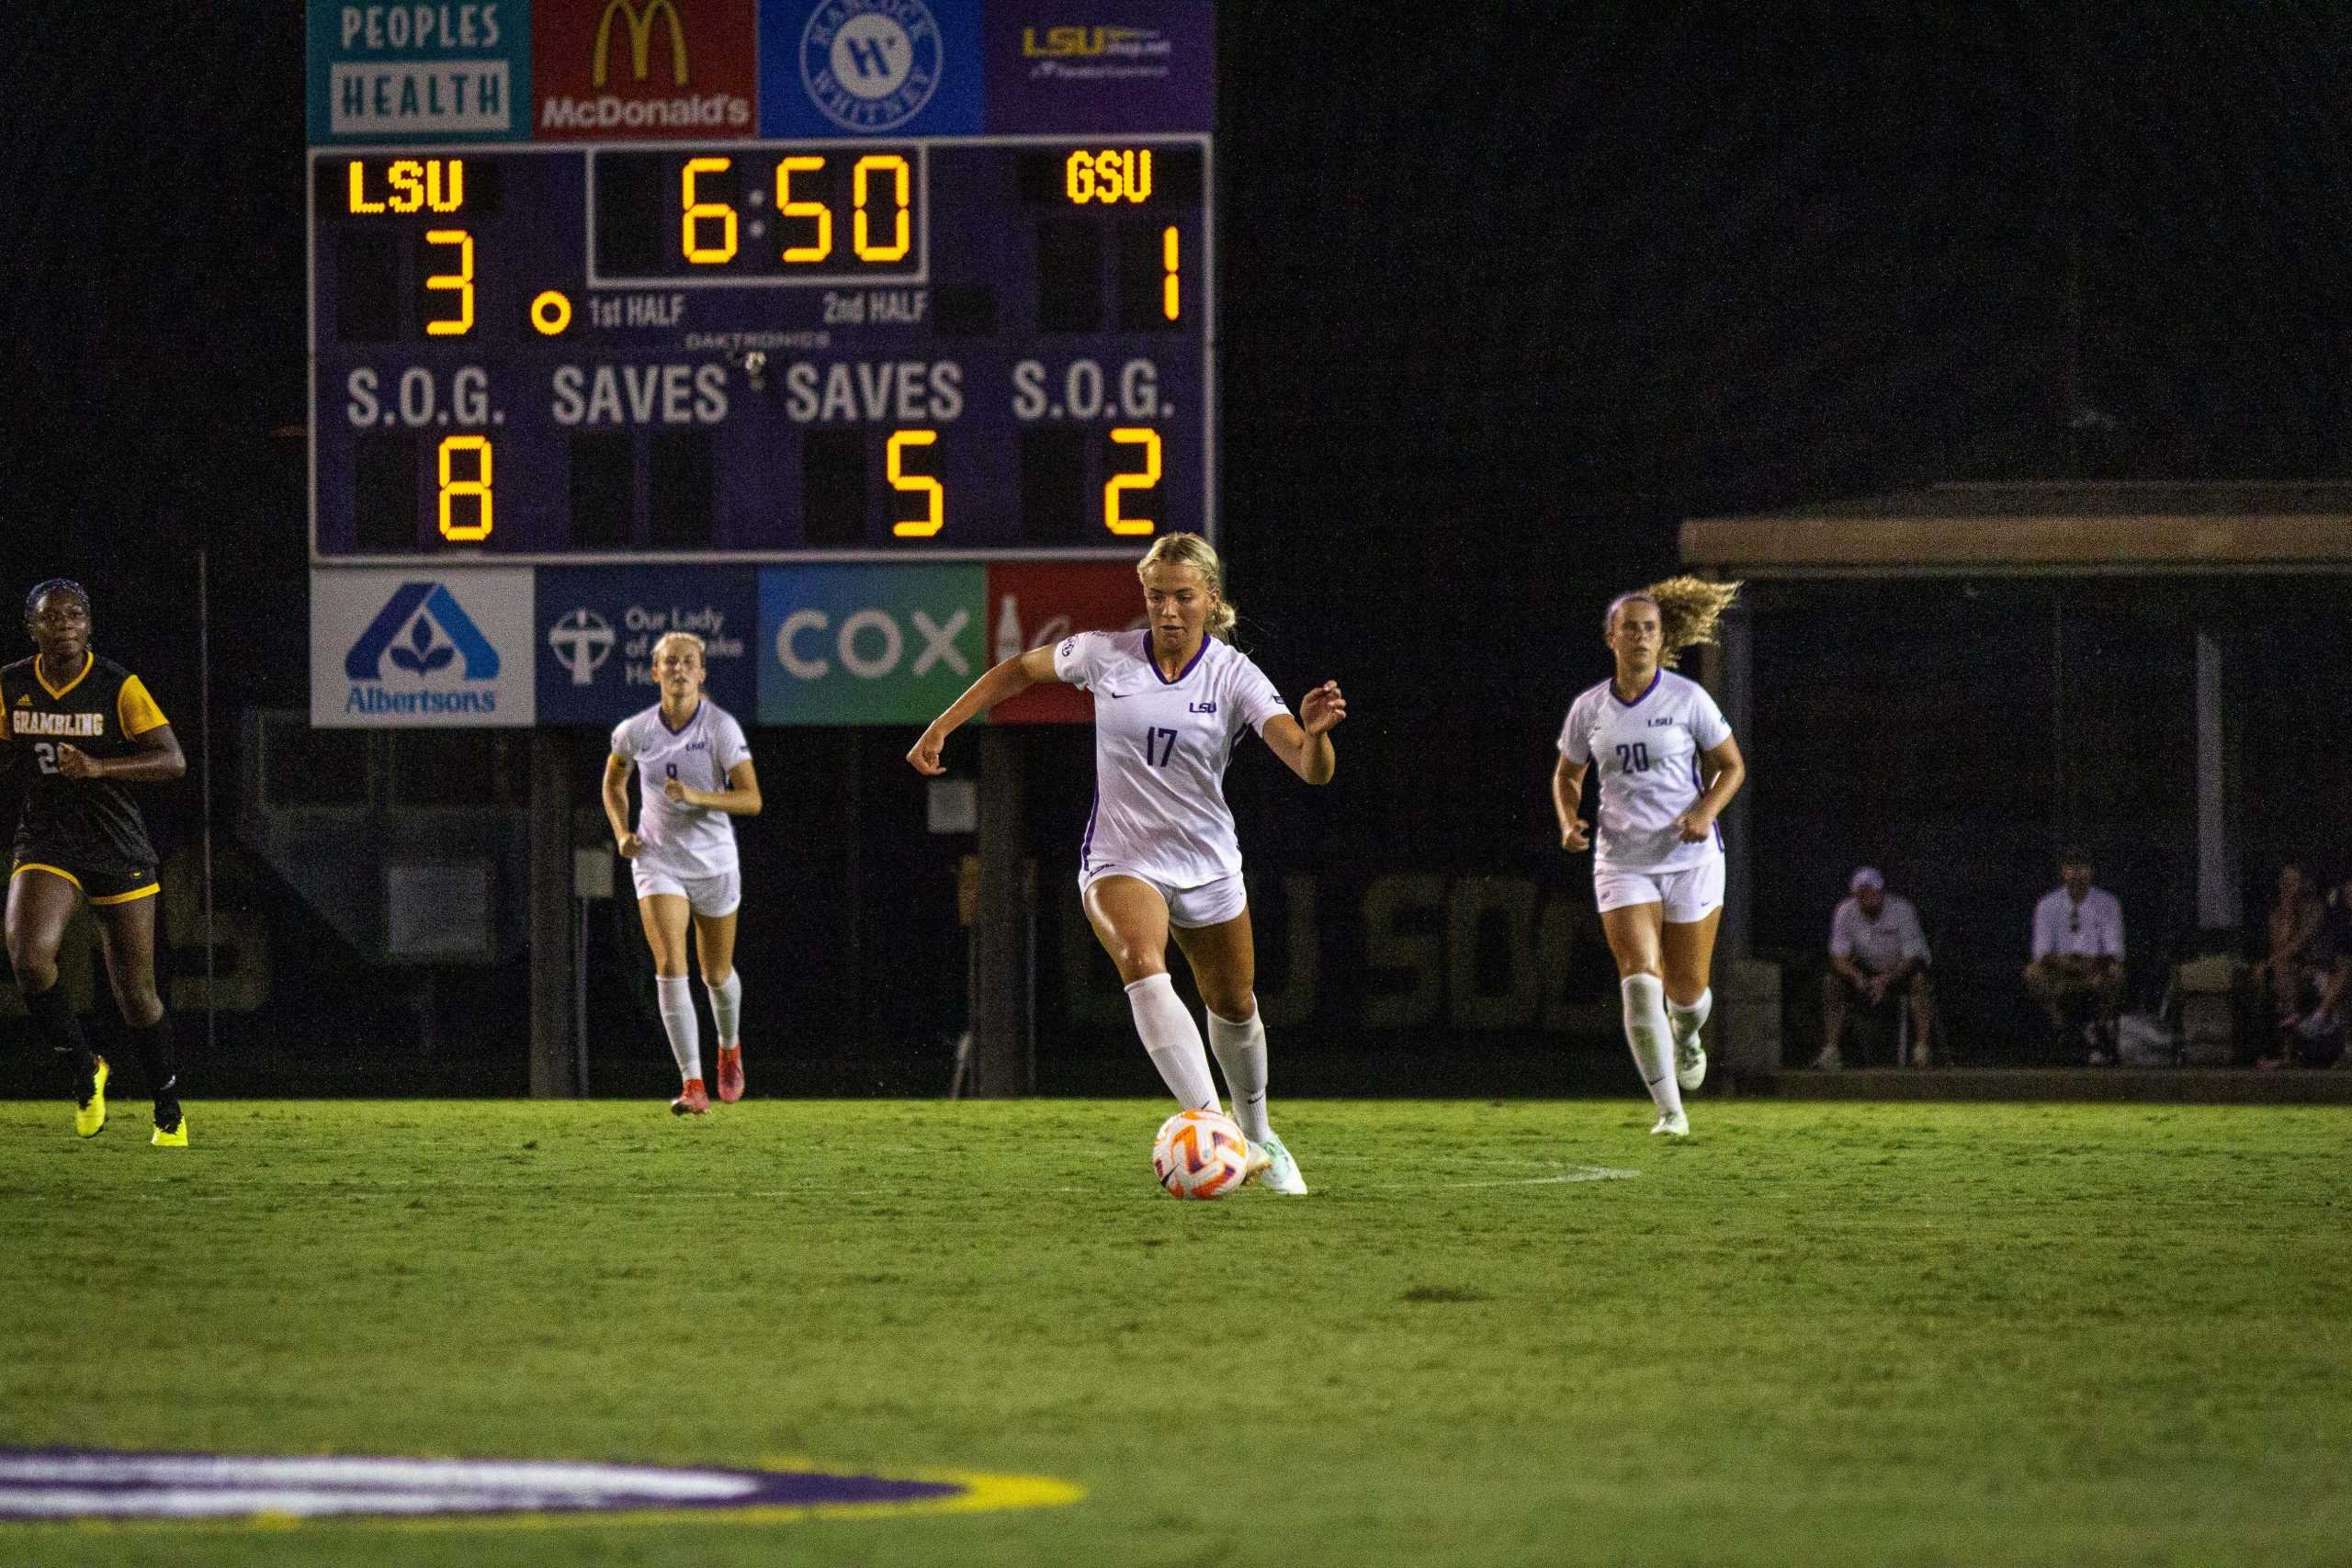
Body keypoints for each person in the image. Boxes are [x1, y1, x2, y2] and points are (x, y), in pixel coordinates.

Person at [907, 532, 1341, 1195]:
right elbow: (1018, 669)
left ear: (1211, 600)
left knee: (1234, 1002)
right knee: (1143, 961)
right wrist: (944, 724)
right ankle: (1216, 1129)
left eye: (1183, 597)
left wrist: (1315, 737)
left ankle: (1259, 1134)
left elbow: (1308, 769)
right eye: (1156, 595)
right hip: (1121, 857)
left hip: (1208, 862)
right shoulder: (1105, 655)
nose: (1168, 610)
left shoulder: (1233, 675)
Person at [1553, 577, 1746, 1136]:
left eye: (1650, 629)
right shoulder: (1589, 709)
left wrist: (1706, 811)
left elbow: (1731, 765)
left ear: (1662, 640)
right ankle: (1670, 1112)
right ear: (1610, 637)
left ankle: (1686, 1035)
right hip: (1622, 861)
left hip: (1691, 858)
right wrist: (1569, 821)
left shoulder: (1688, 699)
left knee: (1687, 992)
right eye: (1630, 628)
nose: (1640, 637)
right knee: (1640, 977)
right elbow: (1568, 775)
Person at [2, 580, 189, 1145]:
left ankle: (168, 1108)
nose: (64, 624)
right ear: (31, 627)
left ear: (90, 625)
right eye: (50, 616)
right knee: (28, 956)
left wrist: (102, 768)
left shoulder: (117, 685)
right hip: (48, 840)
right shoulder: (12, 685)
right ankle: (85, 1070)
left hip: (116, 843)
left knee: (136, 993)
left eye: (75, 614)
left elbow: (173, 761)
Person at [601, 631, 761, 1115]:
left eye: (688, 661)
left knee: (715, 974)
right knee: (671, 965)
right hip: (658, 859)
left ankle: (728, 1047)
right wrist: (622, 831)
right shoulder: (634, 731)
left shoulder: (721, 728)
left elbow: (751, 799)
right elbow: (613, 783)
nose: (679, 669)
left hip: (713, 861)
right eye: (670, 662)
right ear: (655, 672)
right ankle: (693, 1083)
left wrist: (698, 797)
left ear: (701, 673)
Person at [1815, 866, 1934, 1069]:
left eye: (1872, 890)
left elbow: (1912, 956)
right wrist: (1857, 977)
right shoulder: (1844, 911)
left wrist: (1886, 979)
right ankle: (1831, 1050)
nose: (1868, 896)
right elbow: (1838, 956)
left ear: (1880, 890)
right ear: (1854, 894)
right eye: (1862, 892)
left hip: (1900, 969)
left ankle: (1922, 1049)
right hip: (1865, 970)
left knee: (1920, 981)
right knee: (1831, 982)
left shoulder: (1902, 910)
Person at [2025, 848, 2125, 1063]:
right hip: (2061, 971)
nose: (2077, 874)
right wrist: (2068, 964)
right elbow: (2041, 952)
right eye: (2072, 868)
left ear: (2091, 872)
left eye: (2082, 868)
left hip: (2094, 971)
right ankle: (2061, 1029)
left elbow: (2114, 950)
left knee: (2117, 973)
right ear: (2063, 871)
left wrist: (2088, 966)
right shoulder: (2048, 905)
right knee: (2032, 973)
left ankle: (2100, 1029)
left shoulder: (2108, 903)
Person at [2253, 863, 2326, 1052]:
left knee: (2282, 973)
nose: (2287, 885)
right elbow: (2277, 946)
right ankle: (2276, 1045)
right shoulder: (2276, 914)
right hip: (2286, 966)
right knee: (2277, 974)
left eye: (2293, 881)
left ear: (2303, 884)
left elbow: (2298, 945)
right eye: (2284, 881)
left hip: (2316, 965)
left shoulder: (2315, 910)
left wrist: (2270, 963)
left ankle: (2288, 1048)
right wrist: (2285, 915)